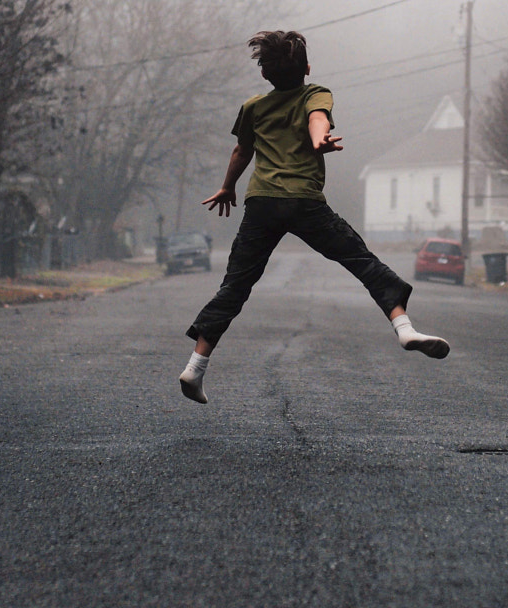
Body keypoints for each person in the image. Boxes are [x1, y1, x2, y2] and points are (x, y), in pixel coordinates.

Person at [180, 30, 449, 404]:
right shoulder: (314, 93)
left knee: (236, 284)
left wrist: (228, 187)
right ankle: (403, 328)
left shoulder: (253, 106)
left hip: (262, 203)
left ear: (264, 74)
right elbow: (316, 118)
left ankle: (195, 367)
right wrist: (319, 139)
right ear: (307, 68)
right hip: (303, 201)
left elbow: (241, 151)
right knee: (360, 260)